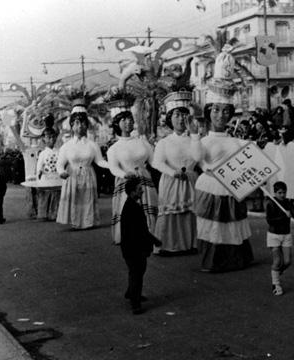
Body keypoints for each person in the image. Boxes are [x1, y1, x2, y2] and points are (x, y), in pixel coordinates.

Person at [189, 43, 254, 272]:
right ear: (208, 112)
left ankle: (236, 259)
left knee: (233, 226)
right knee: (213, 227)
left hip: (231, 187)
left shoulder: (235, 140)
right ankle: (214, 261)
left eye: (225, 111)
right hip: (210, 187)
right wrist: (195, 137)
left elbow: (249, 161)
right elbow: (197, 159)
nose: (220, 115)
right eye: (215, 110)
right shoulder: (203, 140)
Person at [105, 92, 158, 245]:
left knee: (147, 209)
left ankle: (149, 233)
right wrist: (125, 174)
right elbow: (114, 169)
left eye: (129, 119)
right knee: (129, 211)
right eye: (123, 119)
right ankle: (129, 236)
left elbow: (153, 162)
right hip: (126, 183)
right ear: (117, 123)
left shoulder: (142, 142)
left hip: (145, 182)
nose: (127, 122)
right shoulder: (113, 148)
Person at [152, 91, 198, 255]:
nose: (180, 119)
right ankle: (170, 244)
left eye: (184, 115)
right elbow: (157, 162)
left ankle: (191, 243)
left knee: (191, 212)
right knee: (173, 213)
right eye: (177, 115)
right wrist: (172, 172)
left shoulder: (195, 139)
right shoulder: (164, 142)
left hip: (191, 180)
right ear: (170, 118)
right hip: (172, 181)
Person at [56, 99, 109, 229]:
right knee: (74, 199)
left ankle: (87, 221)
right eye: (77, 123)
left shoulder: (92, 145)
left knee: (87, 198)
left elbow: (100, 161)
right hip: (72, 176)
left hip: (88, 175)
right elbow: (60, 164)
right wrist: (61, 172)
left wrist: (112, 165)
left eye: (83, 123)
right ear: (72, 125)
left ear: (87, 125)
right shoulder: (66, 146)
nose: (80, 126)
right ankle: (75, 221)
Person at [120, 177, 162, 315]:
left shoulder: (130, 205)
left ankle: (130, 292)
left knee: (136, 272)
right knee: (137, 273)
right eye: (139, 189)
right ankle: (135, 303)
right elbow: (140, 231)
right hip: (135, 249)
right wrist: (154, 241)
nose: (142, 191)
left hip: (130, 248)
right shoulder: (133, 208)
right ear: (132, 193)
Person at [265, 181, 294, 296]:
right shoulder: (271, 203)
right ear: (275, 193)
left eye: (284, 192)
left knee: (287, 261)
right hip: (274, 235)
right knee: (277, 261)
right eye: (279, 193)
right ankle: (276, 284)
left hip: (286, 235)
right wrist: (283, 216)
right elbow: (270, 221)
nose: (282, 195)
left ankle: (276, 273)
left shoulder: (288, 202)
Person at [35, 127, 61, 221]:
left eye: (53, 137)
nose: (52, 139)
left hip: (57, 177)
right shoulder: (42, 153)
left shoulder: (59, 151)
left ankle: (55, 214)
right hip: (46, 177)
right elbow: (39, 166)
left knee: (56, 195)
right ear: (44, 139)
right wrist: (39, 172)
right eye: (49, 137)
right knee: (45, 196)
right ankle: (43, 214)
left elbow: (61, 164)